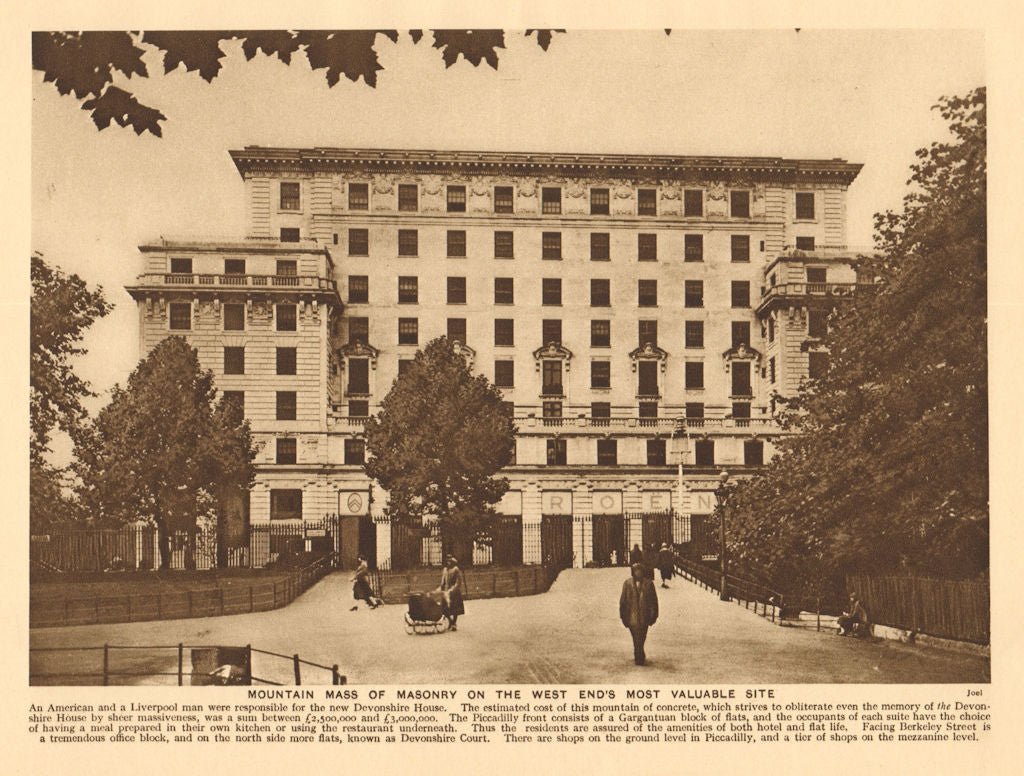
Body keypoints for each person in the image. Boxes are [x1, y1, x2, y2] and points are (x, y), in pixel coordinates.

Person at [619, 562, 659, 665]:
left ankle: (639, 651)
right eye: (636, 571)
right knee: (636, 637)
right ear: (633, 572)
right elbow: (623, 601)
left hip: (645, 617)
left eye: (640, 571)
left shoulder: (649, 584)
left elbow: (653, 602)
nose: (638, 573)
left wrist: (653, 616)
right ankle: (639, 654)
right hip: (632, 617)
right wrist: (623, 617)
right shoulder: (627, 584)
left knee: (642, 636)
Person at [437, 555, 465, 631]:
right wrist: (441, 588)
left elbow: (458, 582)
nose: (448, 562)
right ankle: (451, 622)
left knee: (455, 609)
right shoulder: (445, 570)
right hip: (446, 592)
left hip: (454, 592)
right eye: (447, 561)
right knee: (444, 609)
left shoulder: (456, 570)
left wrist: (453, 590)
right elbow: (443, 581)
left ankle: (454, 623)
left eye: (450, 561)